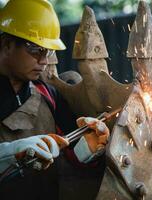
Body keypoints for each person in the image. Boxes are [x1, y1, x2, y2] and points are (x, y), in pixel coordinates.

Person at [0, 0, 110, 199]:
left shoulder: (48, 96)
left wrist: (88, 148)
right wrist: (10, 153)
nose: (43, 60)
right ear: (7, 44)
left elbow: (70, 155)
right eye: (35, 49)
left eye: (48, 51)